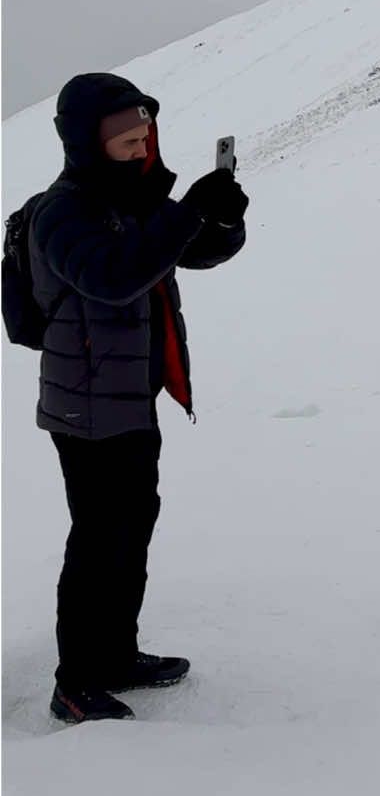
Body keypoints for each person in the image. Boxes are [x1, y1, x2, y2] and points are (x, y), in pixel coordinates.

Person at [29, 73, 249, 724]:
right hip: (82, 404)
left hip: (128, 395)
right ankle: (74, 682)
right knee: (98, 539)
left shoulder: (129, 197)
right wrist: (183, 213)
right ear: (86, 141)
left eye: (143, 133)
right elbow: (115, 276)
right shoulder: (63, 210)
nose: (138, 145)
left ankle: (117, 654)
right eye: (124, 137)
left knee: (131, 529)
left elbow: (188, 252)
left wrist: (225, 218)